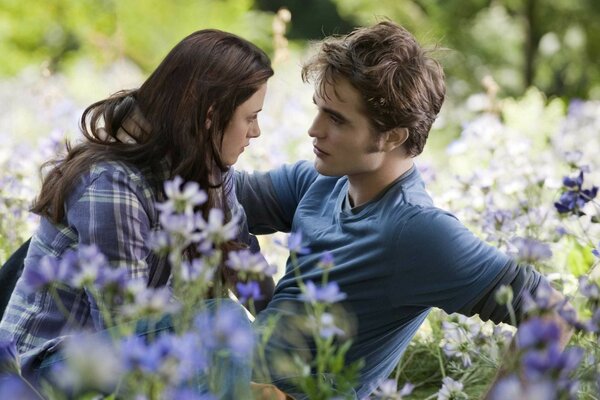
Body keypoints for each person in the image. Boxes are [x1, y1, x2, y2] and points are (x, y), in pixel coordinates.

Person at [234, 21, 572, 398]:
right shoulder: (321, 181)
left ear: (393, 135)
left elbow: (551, 310)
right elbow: (222, 191)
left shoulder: (416, 232)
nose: (314, 129)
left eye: (337, 119)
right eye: (319, 110)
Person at [0, 28, 274, 383]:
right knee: (222, 322)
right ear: (210, 116)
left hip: (119, 350)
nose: (257, 132)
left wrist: (295, 341)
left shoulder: (210, 170)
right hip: (42, 369)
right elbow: (127, 324)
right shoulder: (112, 182)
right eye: (250, 117)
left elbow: (245, 268)